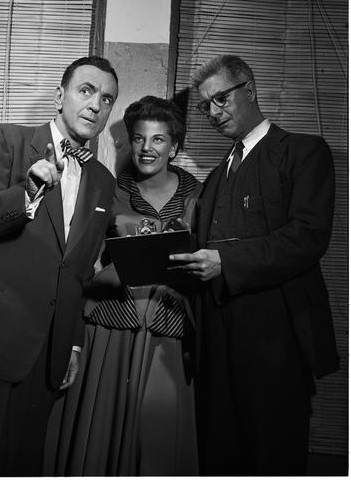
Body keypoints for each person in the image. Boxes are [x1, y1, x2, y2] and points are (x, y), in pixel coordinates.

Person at [0, 55, 119, 476]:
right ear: (59, 96)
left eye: (107, 99)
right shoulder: (4, 139)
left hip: (47, 356)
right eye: (86, 90)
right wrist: (27, 192)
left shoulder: (103, 180)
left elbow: (78, 270)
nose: (96, 105)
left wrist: (73, 343)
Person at [170, 54, 339, 475]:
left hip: (276, 333)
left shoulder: (303, 151)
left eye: (221, 99)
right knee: (220, 450)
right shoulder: (216, 176)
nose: (213, 112)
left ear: (250, 90)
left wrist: (225, 261)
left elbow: (308, 237)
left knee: (271, 451)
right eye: (205, 105)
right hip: (216, 333)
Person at [44, 95, 202, 476]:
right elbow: (84, 258)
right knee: (100, 437)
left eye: (158, 139)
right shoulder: (110, 190)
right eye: (138, 138)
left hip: (169, 328)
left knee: (160, 439)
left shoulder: (200, 197)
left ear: (174, 147)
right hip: (112, 326)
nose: (147, 148)